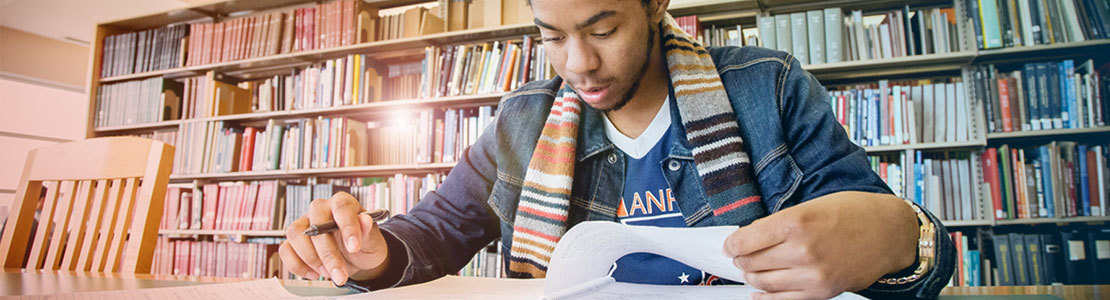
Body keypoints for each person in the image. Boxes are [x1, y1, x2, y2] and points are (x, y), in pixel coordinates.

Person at [278, 0, 956, 298]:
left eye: (602, 28)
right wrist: (375, 255)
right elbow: (437, 230)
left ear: (654, 3)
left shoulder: (768, 89)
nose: (578, 63)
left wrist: (896, 236)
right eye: (551, 35)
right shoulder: (523, 121)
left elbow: (905, 252)